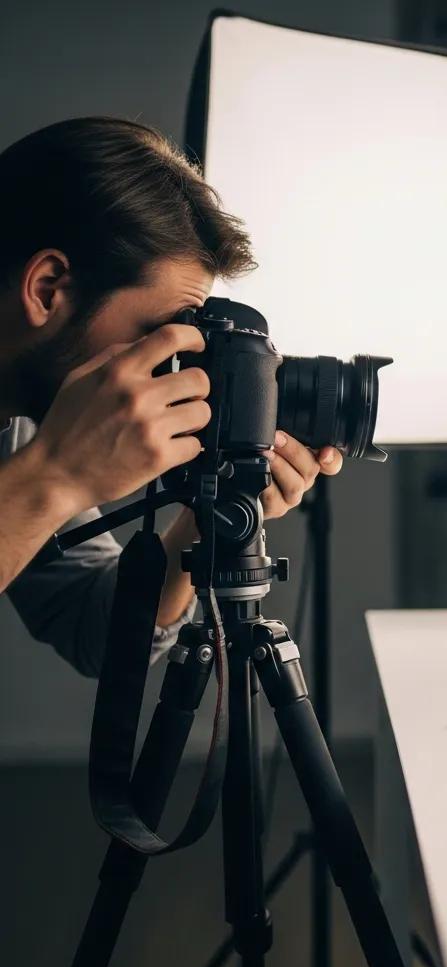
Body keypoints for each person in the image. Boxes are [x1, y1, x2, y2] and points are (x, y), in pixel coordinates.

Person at [0, 117, 342, 677]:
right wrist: (58, 475)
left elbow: (97, 626)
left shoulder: (23, 428)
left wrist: (206, 516)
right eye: (159, 332)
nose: (172, 367)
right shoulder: (44, 453)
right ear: (48, 290)